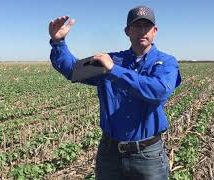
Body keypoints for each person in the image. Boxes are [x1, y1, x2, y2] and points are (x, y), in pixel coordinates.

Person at [49, 5, 181, 180]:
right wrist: (59, 43)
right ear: (127, 31)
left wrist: (114, 70)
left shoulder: (165, 62)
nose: (142, 31)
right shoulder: (112, 60)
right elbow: (74, 70)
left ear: (154, 31)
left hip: (147, 156)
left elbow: (158, 90)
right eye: (136, 26)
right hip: (110, 153)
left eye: (146, 26)